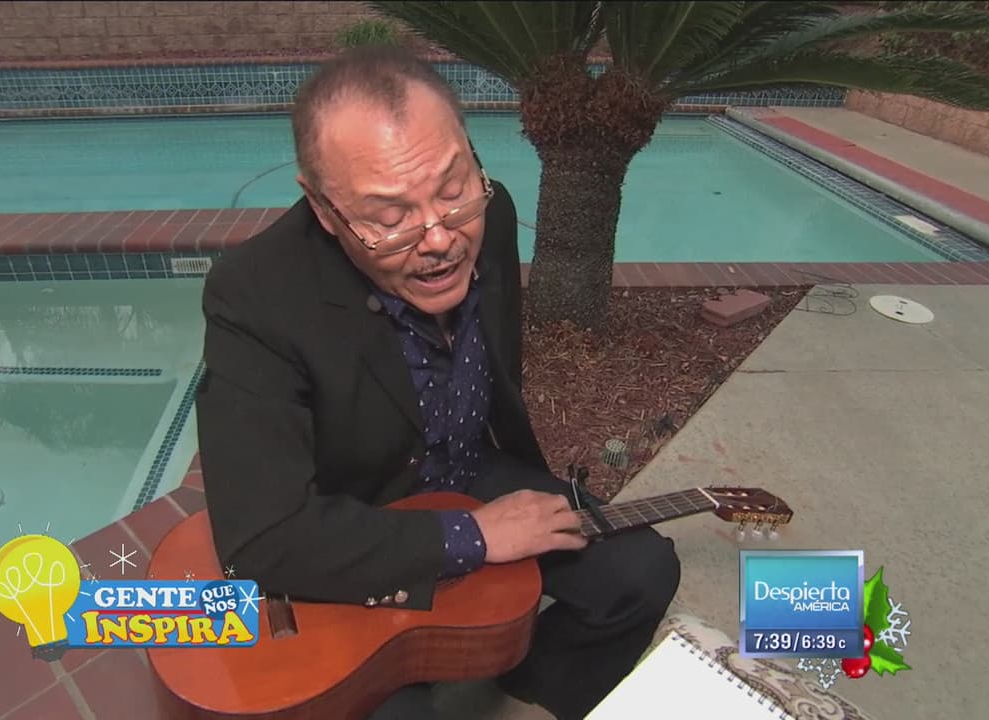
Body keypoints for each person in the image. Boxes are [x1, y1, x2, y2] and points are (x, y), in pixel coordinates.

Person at [195, 45, 681, 720]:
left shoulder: (493, 214)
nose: (440, 239)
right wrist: (472, 538)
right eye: (390, 216)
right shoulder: (256, 295)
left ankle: (523, 694)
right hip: (358, 519)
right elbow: (262, 539)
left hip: (468, 470)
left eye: (452, 190)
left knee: (642, 573)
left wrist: (492, 522)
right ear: (325, 210)